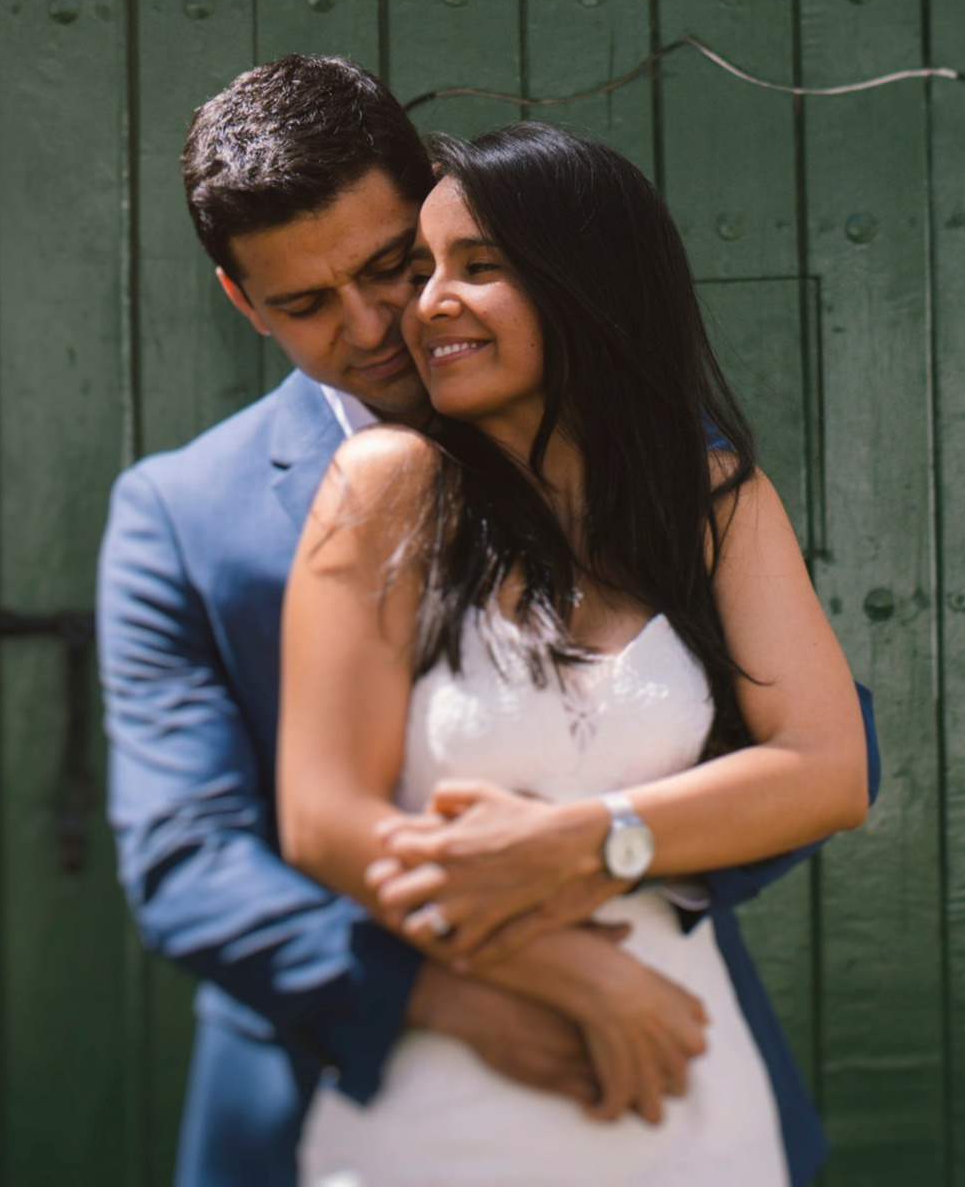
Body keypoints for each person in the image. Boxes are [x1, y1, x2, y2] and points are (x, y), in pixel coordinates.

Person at [98, 58, 876, 1187]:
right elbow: (189, 856)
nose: (373, 328)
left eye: (392, 266)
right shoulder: (182, 514)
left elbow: (812, 754)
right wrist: (469, 986)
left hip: (661, 1058)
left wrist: (589, 855)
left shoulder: (667, 465)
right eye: (305, 304)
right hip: (341, 1084)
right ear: (240, 300)